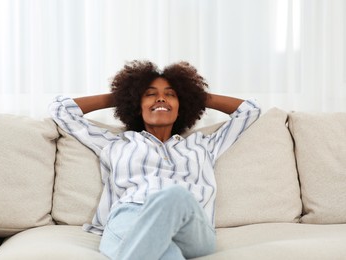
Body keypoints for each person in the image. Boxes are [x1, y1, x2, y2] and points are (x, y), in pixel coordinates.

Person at [49, 60, 261, 259]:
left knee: (174, 195)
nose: (161, 98)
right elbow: (61, 110)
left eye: (171, 95)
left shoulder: (203, 145)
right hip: (130, 217)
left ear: (182, 106)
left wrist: (193, 94)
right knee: (168, 255)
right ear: (136, 105)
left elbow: (249, 111)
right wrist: (124, 94)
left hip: (190, 225)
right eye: (150, 94)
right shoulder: (116, 143)